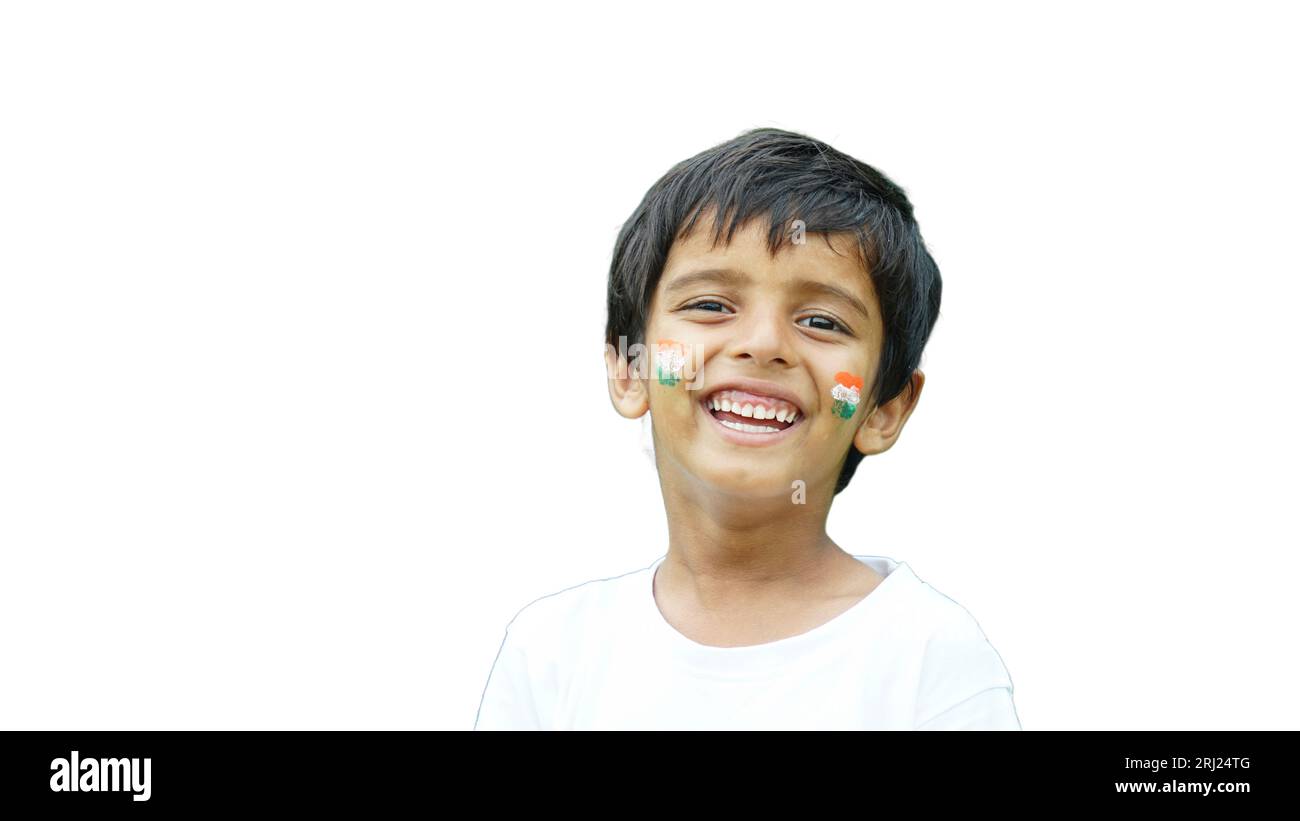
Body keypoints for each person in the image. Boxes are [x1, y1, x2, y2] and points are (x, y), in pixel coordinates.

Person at [474, 127, 1020, 730]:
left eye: (821, 321)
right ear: (632, 369)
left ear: (882, 408)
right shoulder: (551, 655)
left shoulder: (930, 660)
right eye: (710, 305)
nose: (763, 345)